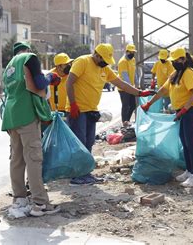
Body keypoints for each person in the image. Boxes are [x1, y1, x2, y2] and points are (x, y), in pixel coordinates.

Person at [66, 43, 154, 186]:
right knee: (80, 143)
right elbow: (69, 83)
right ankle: (76, 176)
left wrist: (139, 93)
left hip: (91, 110)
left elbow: (121, 84)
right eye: (104, 60)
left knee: (89, 142)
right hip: (78, 110)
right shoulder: (82, 62)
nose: (106, 63)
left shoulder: (105, 69)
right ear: (97, 55)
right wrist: (73, 104)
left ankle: (85, 173)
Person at [1, 41, 60, 217]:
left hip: (11, 117)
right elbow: (40, 83)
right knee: (34, 159)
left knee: (17, 160)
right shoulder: (29, 58)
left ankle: (20, 198)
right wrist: (52, 77)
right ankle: (40, 203)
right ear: (27, 50)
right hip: (27, 115)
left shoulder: (9, 67)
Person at [141, 47, 193, 187]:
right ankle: (189, 170)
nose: (174, 63)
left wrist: (185, 109)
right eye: (173, 61)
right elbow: (163, 90)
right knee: (184, 142)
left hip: (190, 111)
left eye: (176, 60)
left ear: (184, 59)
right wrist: (149, 103)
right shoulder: (176, 73)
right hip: (181, 112)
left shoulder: (189, 73)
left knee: (191, 143)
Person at [117, 44, 137, 123]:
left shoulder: (133, 60)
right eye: (130, 52)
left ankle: (127, 121)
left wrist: (136, 84)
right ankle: (124, 122)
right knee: (125, 106)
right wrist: (131, 88)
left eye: (133, 52)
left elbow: (134, 73)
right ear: (126, 52)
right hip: (124, 88)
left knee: (133, 105)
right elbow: (125, 77)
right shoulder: (123, 62)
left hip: (130, 87)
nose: (132, 54)